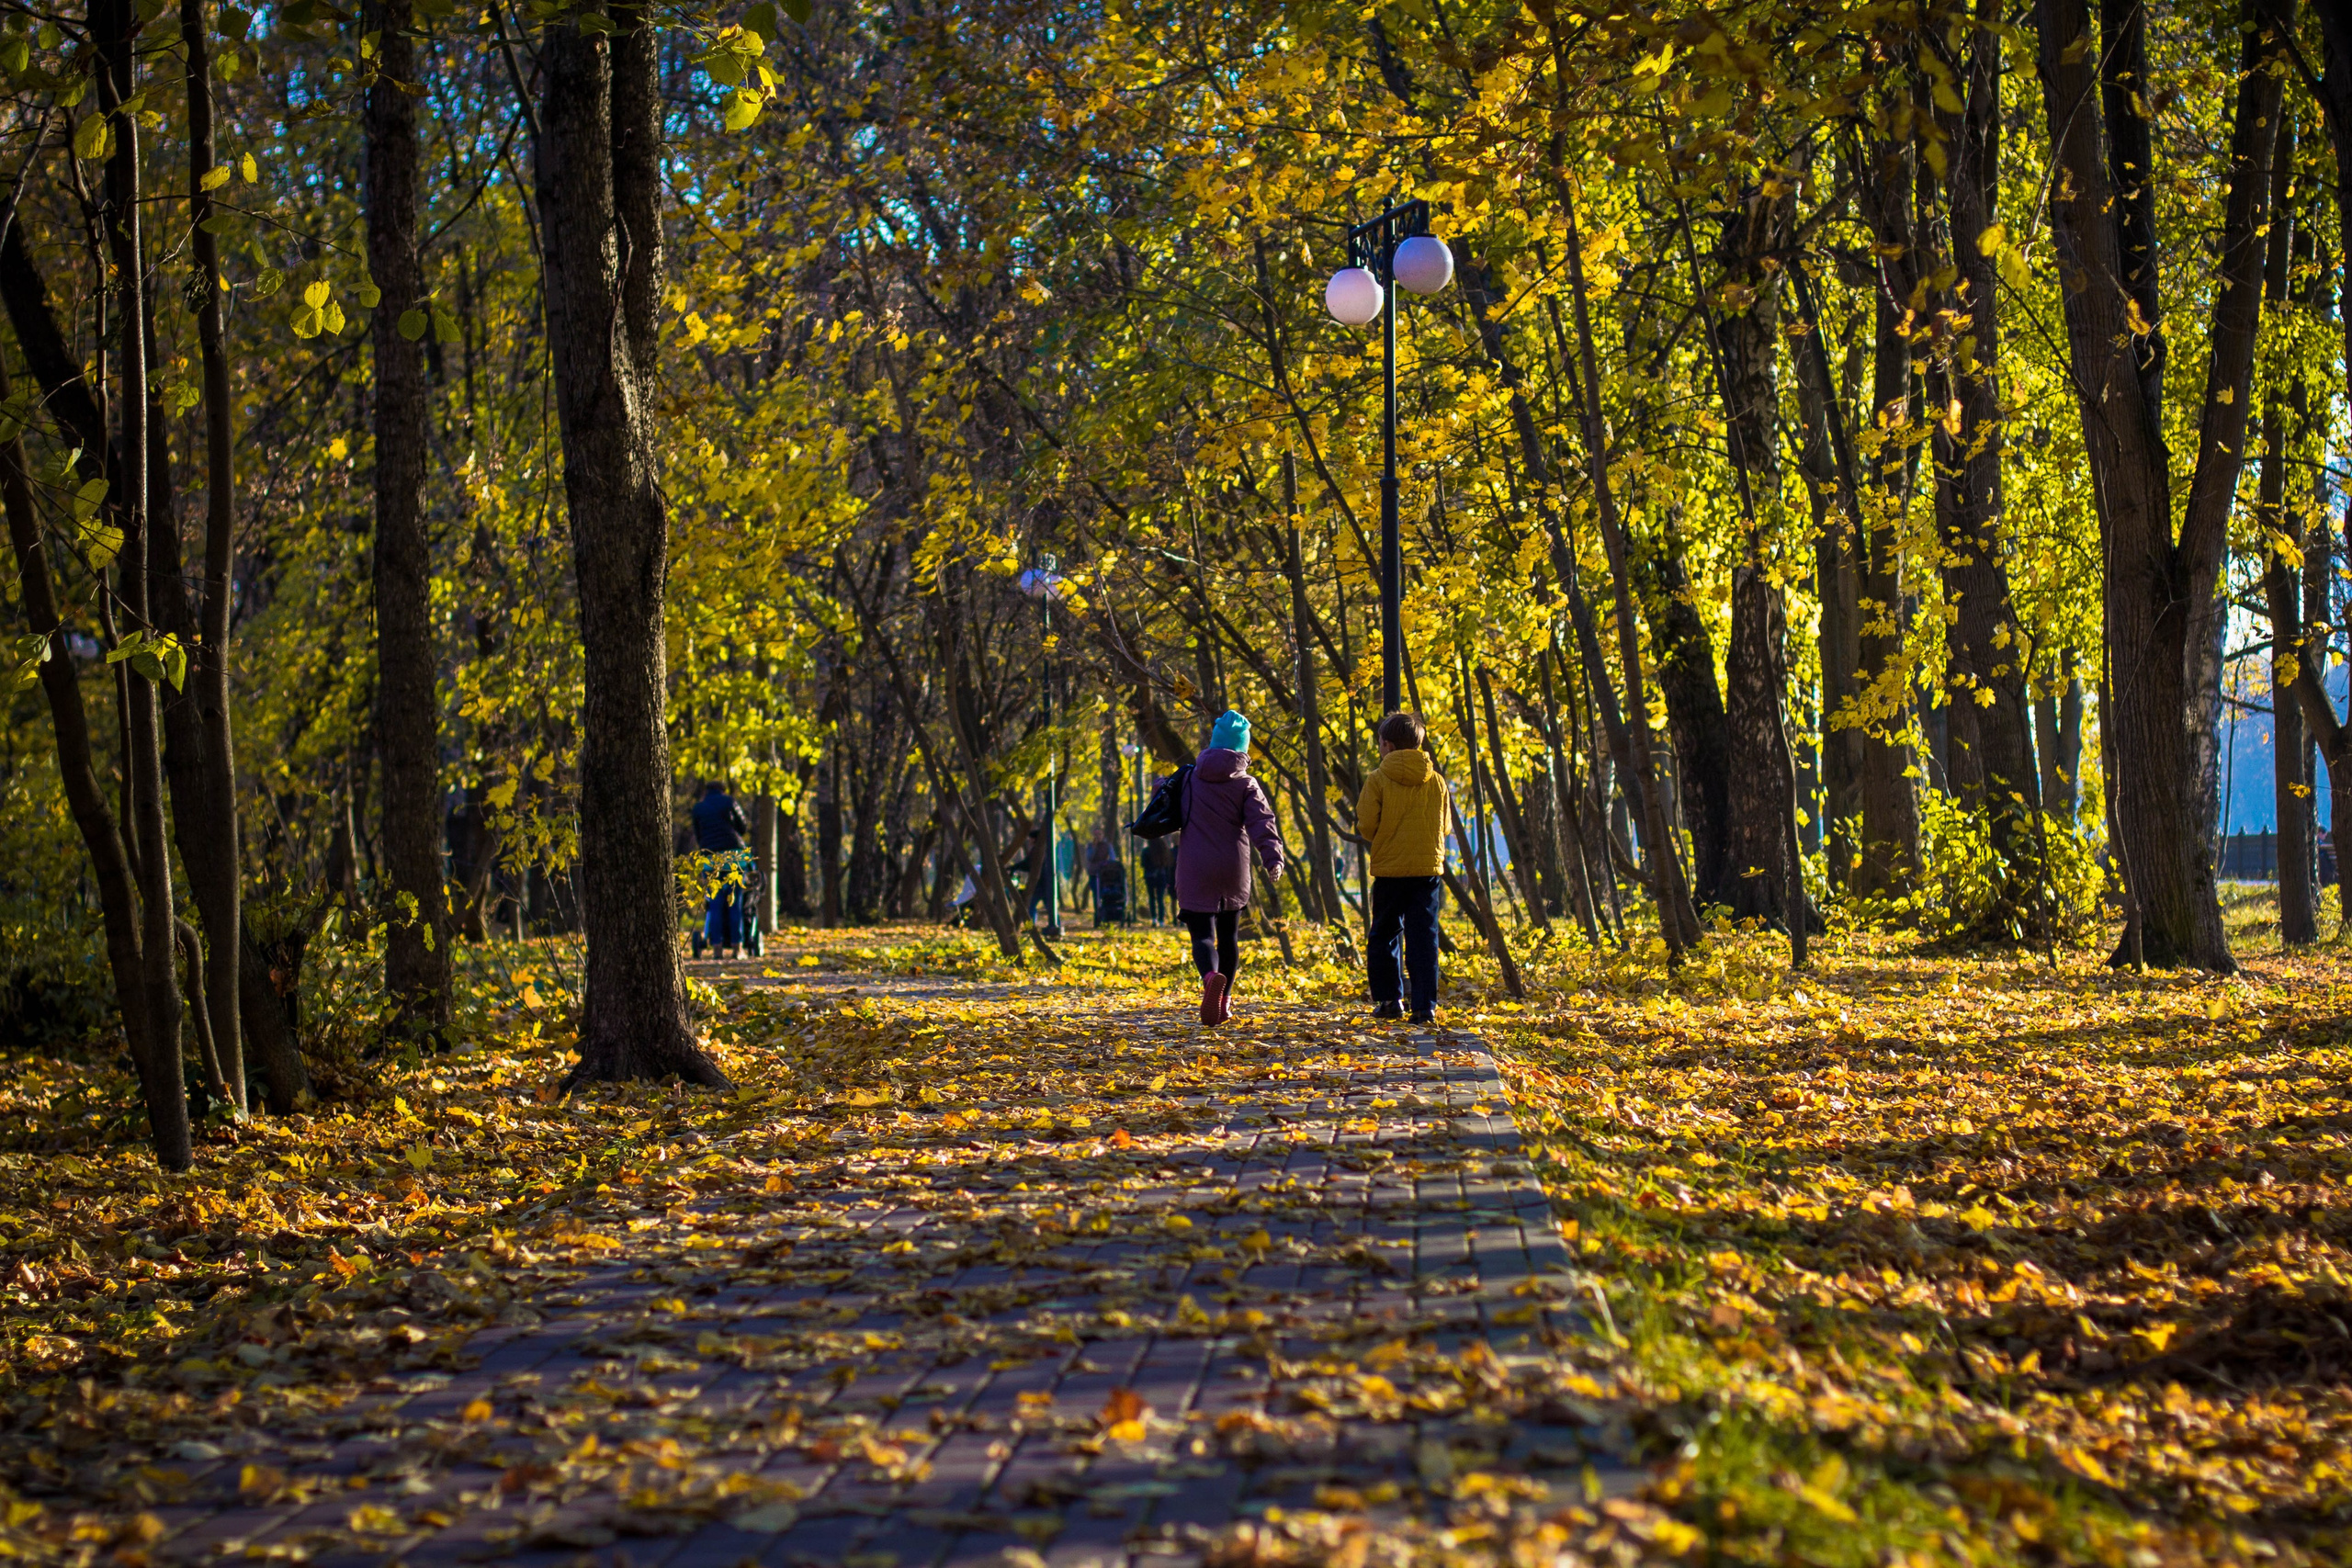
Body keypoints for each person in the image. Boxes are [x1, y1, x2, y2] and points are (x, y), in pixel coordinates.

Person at [1174, 709, 1285, 1025]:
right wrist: (1272, 857)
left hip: (1194, 867)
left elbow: (1166, 802)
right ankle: (1224, 1002)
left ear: (1213, 743)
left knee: (1202, 937)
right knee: (1229, 937)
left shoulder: (1189, 777)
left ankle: (1210, 977)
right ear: (1243, 749)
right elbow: (1262, 822)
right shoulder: (1246, 784)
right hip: (1233, 868)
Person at [1357, 711, 1450, 1024]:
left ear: (1389, 745)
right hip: (1427, 870)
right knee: (1424, 936)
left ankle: (1390, 1000)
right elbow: (1445, 826)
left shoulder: (1377, 779)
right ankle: (1425, 1007)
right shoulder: (1436, 781)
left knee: (1385, 934)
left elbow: (1367, 825)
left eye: (1381, 744)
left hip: (1390, 871)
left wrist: (1385, 837)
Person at [691, 779, 752, 961]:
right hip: (733, 858)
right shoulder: (730, 802)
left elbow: (699, 834)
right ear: (723, 790)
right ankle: (737, 948)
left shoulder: (698, 808)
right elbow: (743, 827)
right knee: (735, 903)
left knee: (715, 905)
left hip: (711, 859)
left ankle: (716, 948)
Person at [1142, 833, 1176, 925]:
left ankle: (1154, 918)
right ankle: (1161, 920)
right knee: (1160, 898)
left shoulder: (1146, 851)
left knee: (1152, 898)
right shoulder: (1164, 850)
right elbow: (1167, 866)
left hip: (1150, 877)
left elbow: (1143, 864)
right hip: (1161, 876)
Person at [1085, 831, 1118, 923]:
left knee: (1105, 893)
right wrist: (1094, 848)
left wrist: (1108, 866)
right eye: (1096, 834)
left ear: (1102, 835)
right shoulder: (1090, 846)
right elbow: (1089, 858)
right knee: (1096, 895)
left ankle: (1106, 914)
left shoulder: (1107, 845)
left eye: (1100, 834)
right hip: (1094, 874)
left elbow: (1112, 858)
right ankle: (1098, 915)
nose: (1098, 836)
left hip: (1104, 874)